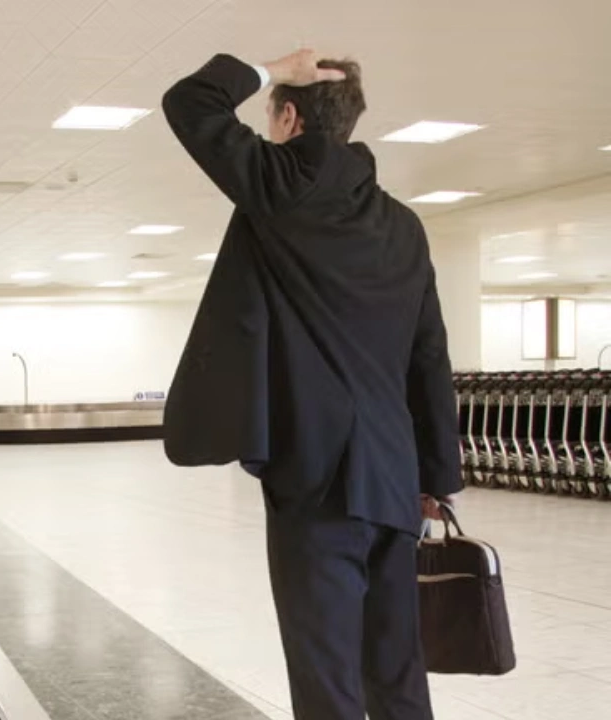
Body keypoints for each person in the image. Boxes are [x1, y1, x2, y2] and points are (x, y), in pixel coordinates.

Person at [159, 50, 463, 720]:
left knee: (324, 668)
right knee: (395, 662)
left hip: (316, 475)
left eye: (272, 114)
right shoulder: (404, 225)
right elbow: (428, 355)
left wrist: (269, 70)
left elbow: (190, 102)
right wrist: (435, 475)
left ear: (289, 118)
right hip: (393, 474)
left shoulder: (279, 188)